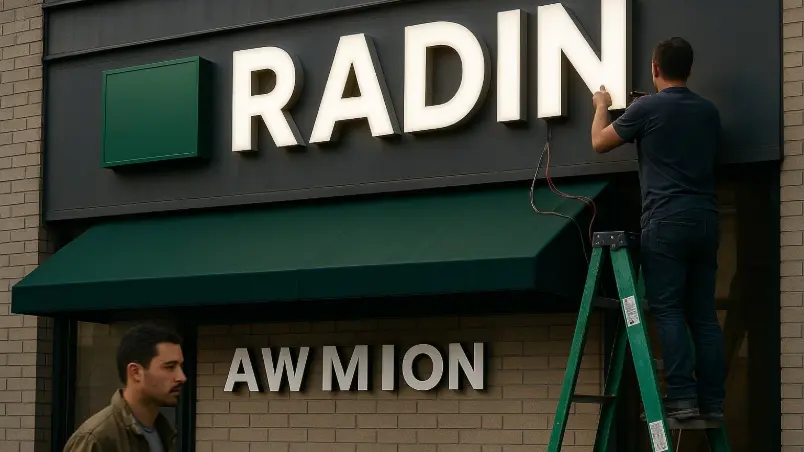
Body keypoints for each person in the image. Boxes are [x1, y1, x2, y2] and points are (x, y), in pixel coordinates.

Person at [588, 37, 726, 421]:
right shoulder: (708, 111)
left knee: (668, 310)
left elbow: (599, 142)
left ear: (654, 68)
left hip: (665, 220)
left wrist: (601, 106)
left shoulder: (646, 108)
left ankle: (682, 397)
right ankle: (712, 402)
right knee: (704, 315)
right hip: (706, 219)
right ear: (689, 69)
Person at [63, 323, 187, 452]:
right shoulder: (97, 438)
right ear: (135, 372)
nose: (182, 377)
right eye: (170, 367)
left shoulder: (164, 433)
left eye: (180, 367)